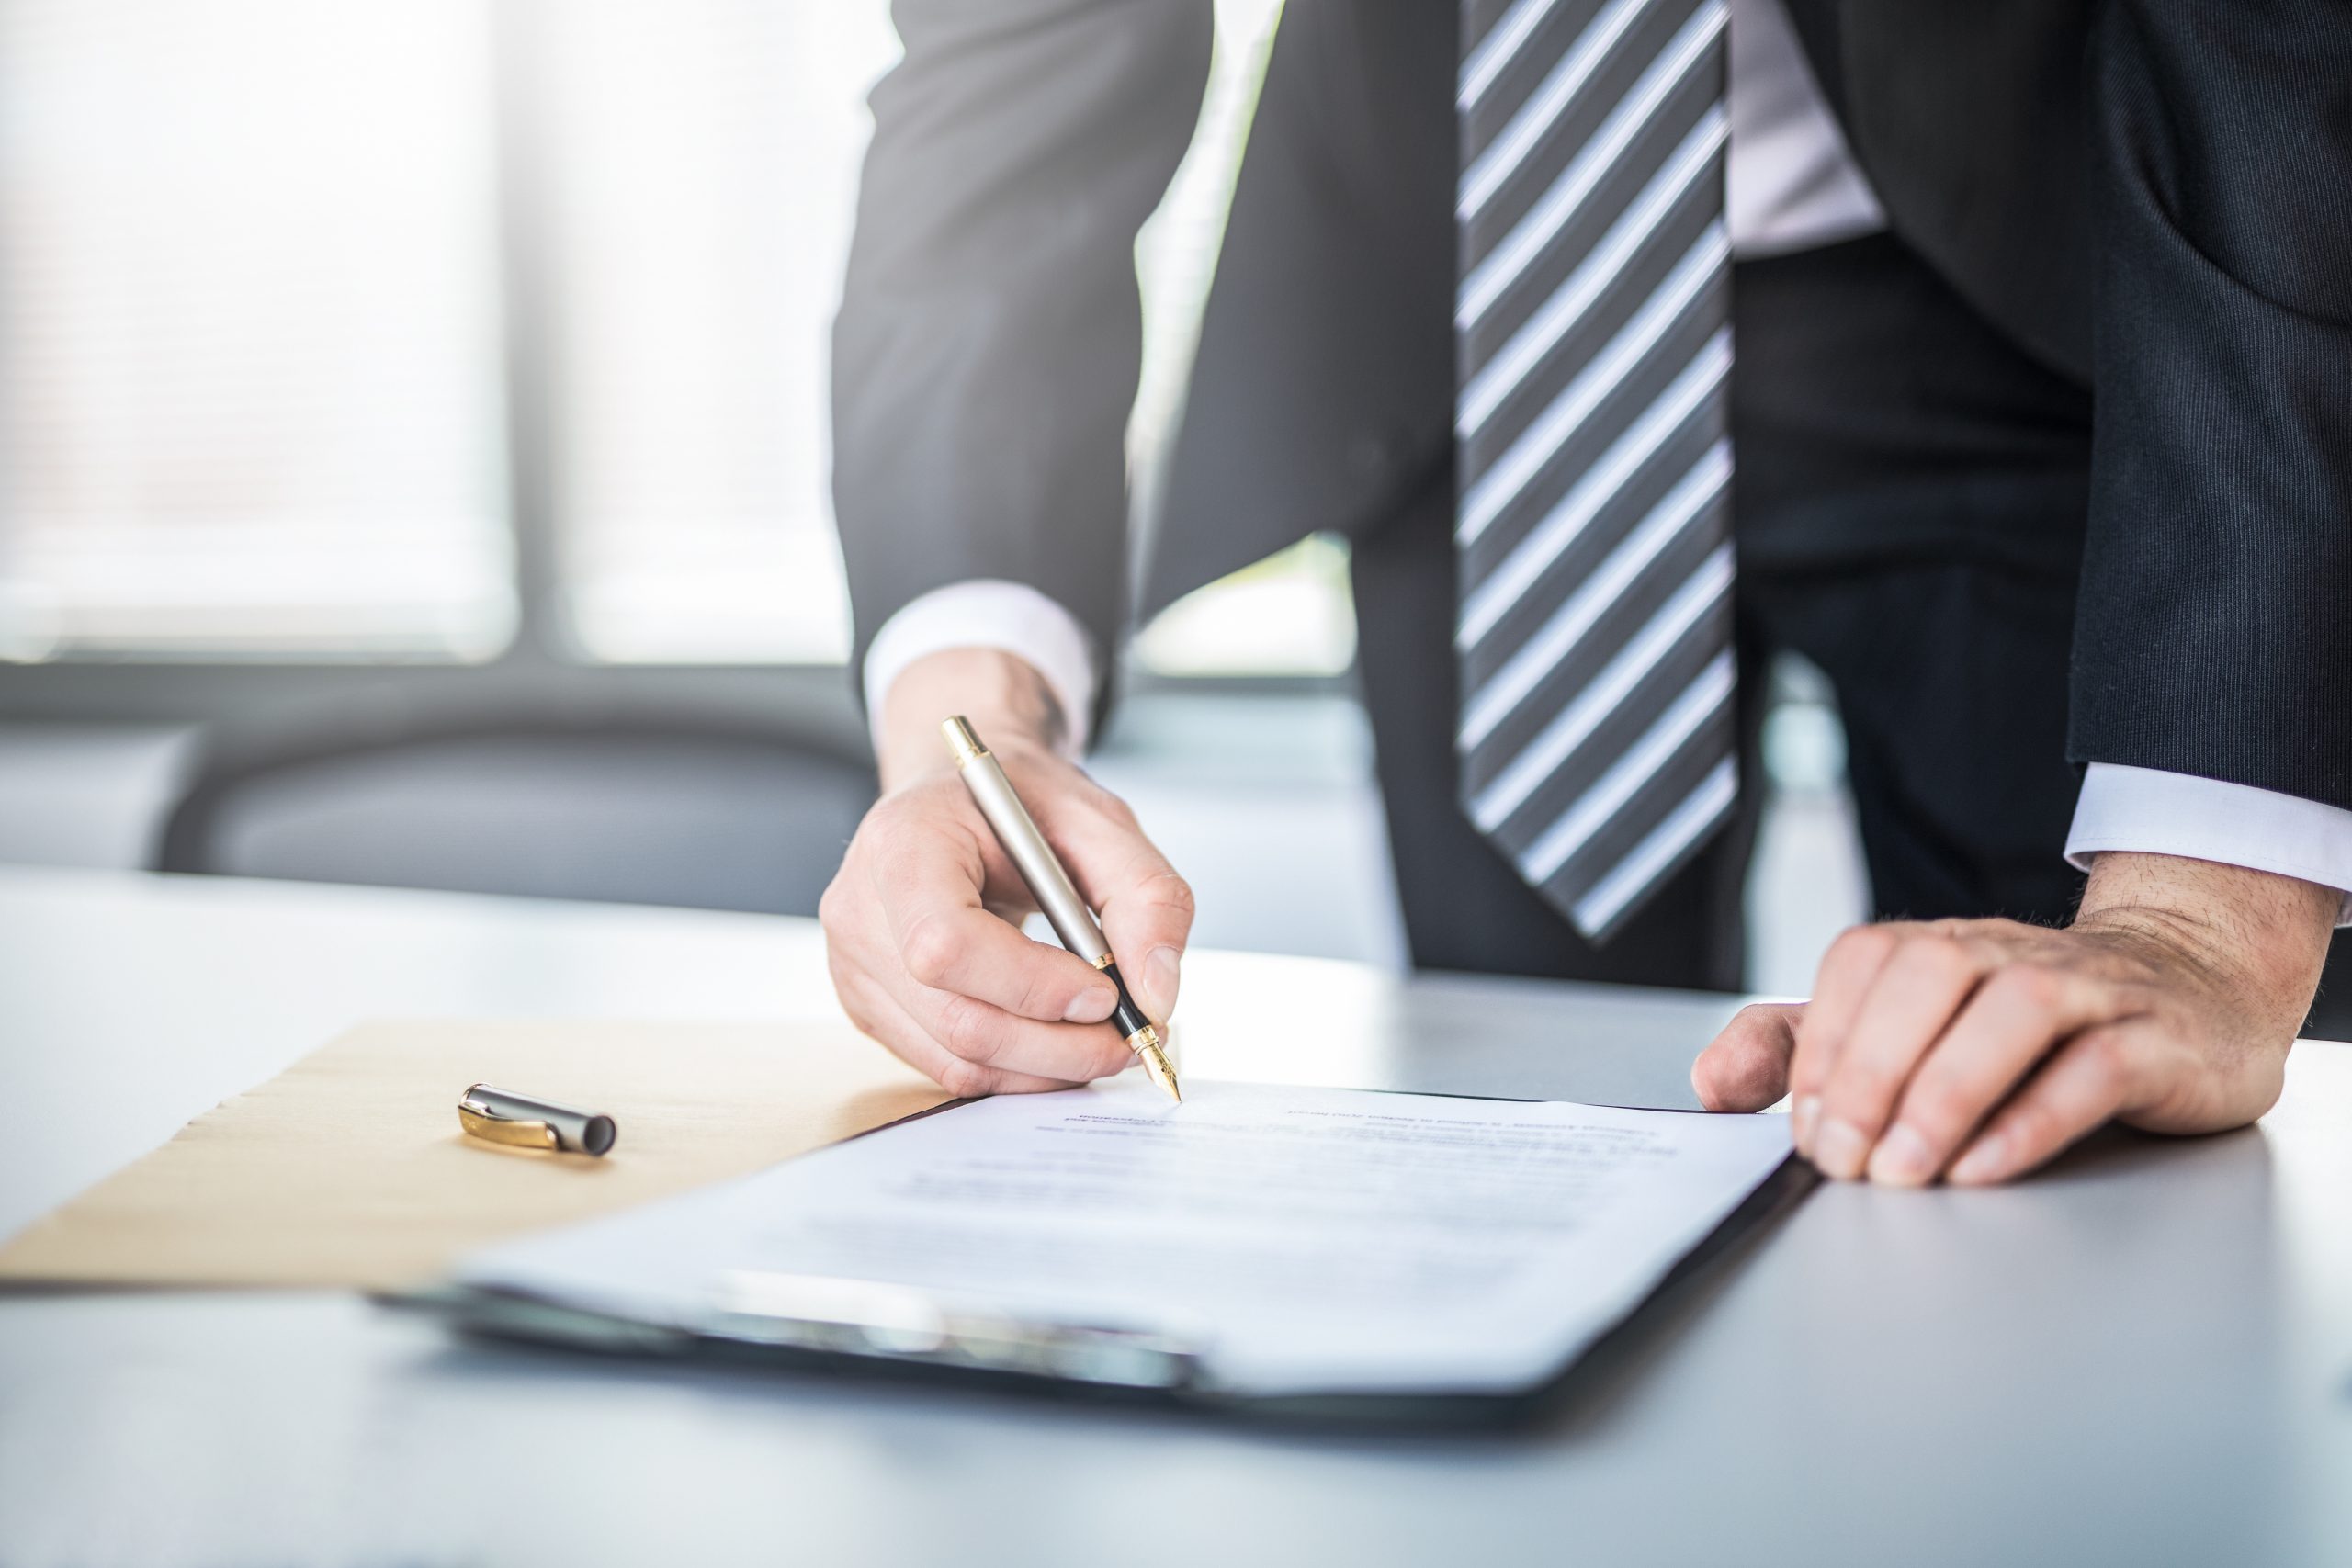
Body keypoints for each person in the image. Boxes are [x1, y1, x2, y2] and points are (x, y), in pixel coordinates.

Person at [820, 0, 2352, 1186]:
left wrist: (2206, 922)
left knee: (2045, 1125)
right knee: (1531, 1152)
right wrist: (971, 721)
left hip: (2039, 302)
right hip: (1481, 316)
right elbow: (1012, 69)